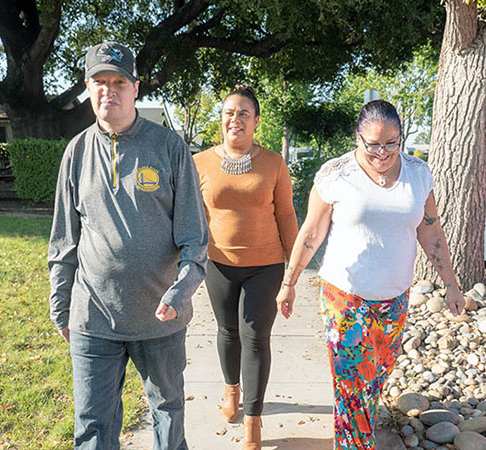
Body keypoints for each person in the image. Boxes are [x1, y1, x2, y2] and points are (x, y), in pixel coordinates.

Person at [276, 99, 466, 450]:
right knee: (350, 386)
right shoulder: (335, 174)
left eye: (392, 142)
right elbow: (312, 233)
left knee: (373, 381)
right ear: (357, 137)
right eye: (373, 143)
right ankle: (354, 445)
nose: (383, 152)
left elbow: (431, 231)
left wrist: (451, 284)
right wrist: (289, 283)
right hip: (344, 296)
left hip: (394, 299)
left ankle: (353, 437)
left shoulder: (418, 173)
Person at [48, 42, 208, 450]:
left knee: (168, 414)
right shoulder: (76, 152)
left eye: (118, 81)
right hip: (93, 317)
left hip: (161, 317)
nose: (109, 91)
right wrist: (61, 305)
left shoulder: (169, 148)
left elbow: (195, 237)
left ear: (136, 87)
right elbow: (64, 239)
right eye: (99, 82)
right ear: (87, 87)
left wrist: (181, 290)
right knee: (92, 425)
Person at [193, 84, 298, 450]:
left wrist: (292, 272)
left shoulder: (273, 163)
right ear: (221, 120)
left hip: (265, 265)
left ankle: (252, 421)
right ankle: (231, 391)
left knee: (255, 338)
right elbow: (193, 216)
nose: (234, 119)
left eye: (243, 113)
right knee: (227, 333)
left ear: (255, 121)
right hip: (218, 263)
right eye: (229, 113)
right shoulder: (200, 162)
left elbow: (285, 214)